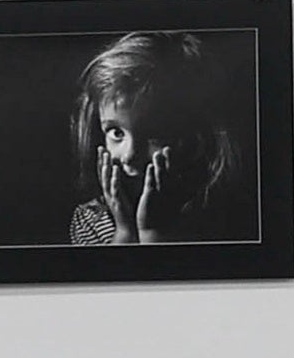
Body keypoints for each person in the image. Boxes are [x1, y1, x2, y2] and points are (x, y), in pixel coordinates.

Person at [65, 32, 244, 246]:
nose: (130, 155)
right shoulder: (89, 220)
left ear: (195, 138)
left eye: (154, 135)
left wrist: (153, 232)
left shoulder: (214, 216)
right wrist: (124, 232)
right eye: (116, 133)